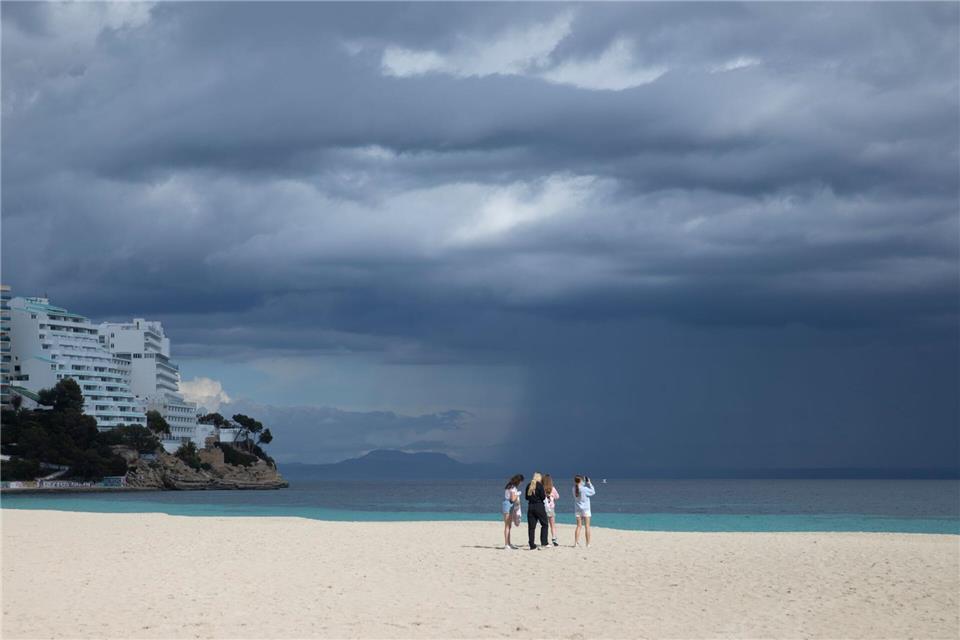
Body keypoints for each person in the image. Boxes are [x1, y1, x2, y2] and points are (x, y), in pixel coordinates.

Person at [525, 472, 549, 550]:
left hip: (530, 507)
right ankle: (544, 542)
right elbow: (543, 497)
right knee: (544, 524)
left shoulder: (529, 485)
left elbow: (526, 497)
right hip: (539, 506)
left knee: (531, 527)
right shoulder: (540, 485)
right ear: (539, 478)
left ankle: (532, 544)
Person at [501, 474, 524, 549]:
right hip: (508, 505)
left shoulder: (509, 486)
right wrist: (518, 494)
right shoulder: (513, 488)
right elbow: (513, 499)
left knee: (509, 526)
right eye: (521, 482)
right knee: (507, 525)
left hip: (507, 504)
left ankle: (509, 543)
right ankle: (506, 544)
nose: (521, 483)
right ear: (518, 481)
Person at [573, 475, 596, 547]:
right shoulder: (584, 489)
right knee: (587, 526)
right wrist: (589, 483)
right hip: (586, 509)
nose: (584, 481)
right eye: (583, 480)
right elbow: (593, 492)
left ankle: (576, 543)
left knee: (578, 526)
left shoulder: (573, 488)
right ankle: (588, 544)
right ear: (581, 481)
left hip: (578, 509)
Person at [543, 474, 560, 546]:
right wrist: (552, 496)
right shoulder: (552, 488)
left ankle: (545, 539)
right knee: (552, 525)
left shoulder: (542, 488)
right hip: (551, 508)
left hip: (543, 508)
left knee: (544, 525)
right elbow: (557, 497)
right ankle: (554, 538)